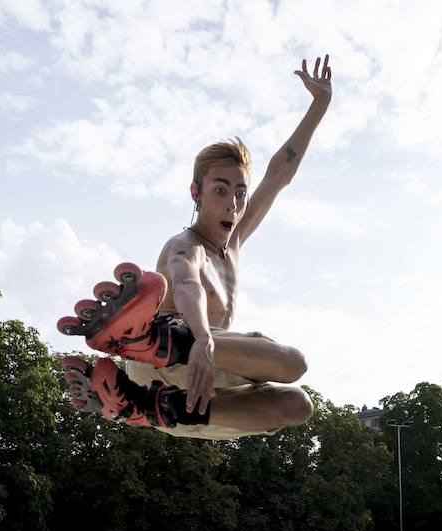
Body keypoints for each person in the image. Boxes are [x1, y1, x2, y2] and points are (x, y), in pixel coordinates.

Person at [59, 56, 333, 440]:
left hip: (188, 390)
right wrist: (202, 337)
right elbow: (186, 283)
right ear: (197, 193)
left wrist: (319, 106)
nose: (233, 204)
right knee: (292, 362)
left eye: (239, 193)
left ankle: (143, 407)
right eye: (220, 190)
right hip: (164, 356)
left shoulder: (234, 239)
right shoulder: (185, 244)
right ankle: (147, 340)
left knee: (296, 405)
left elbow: (278, 175)